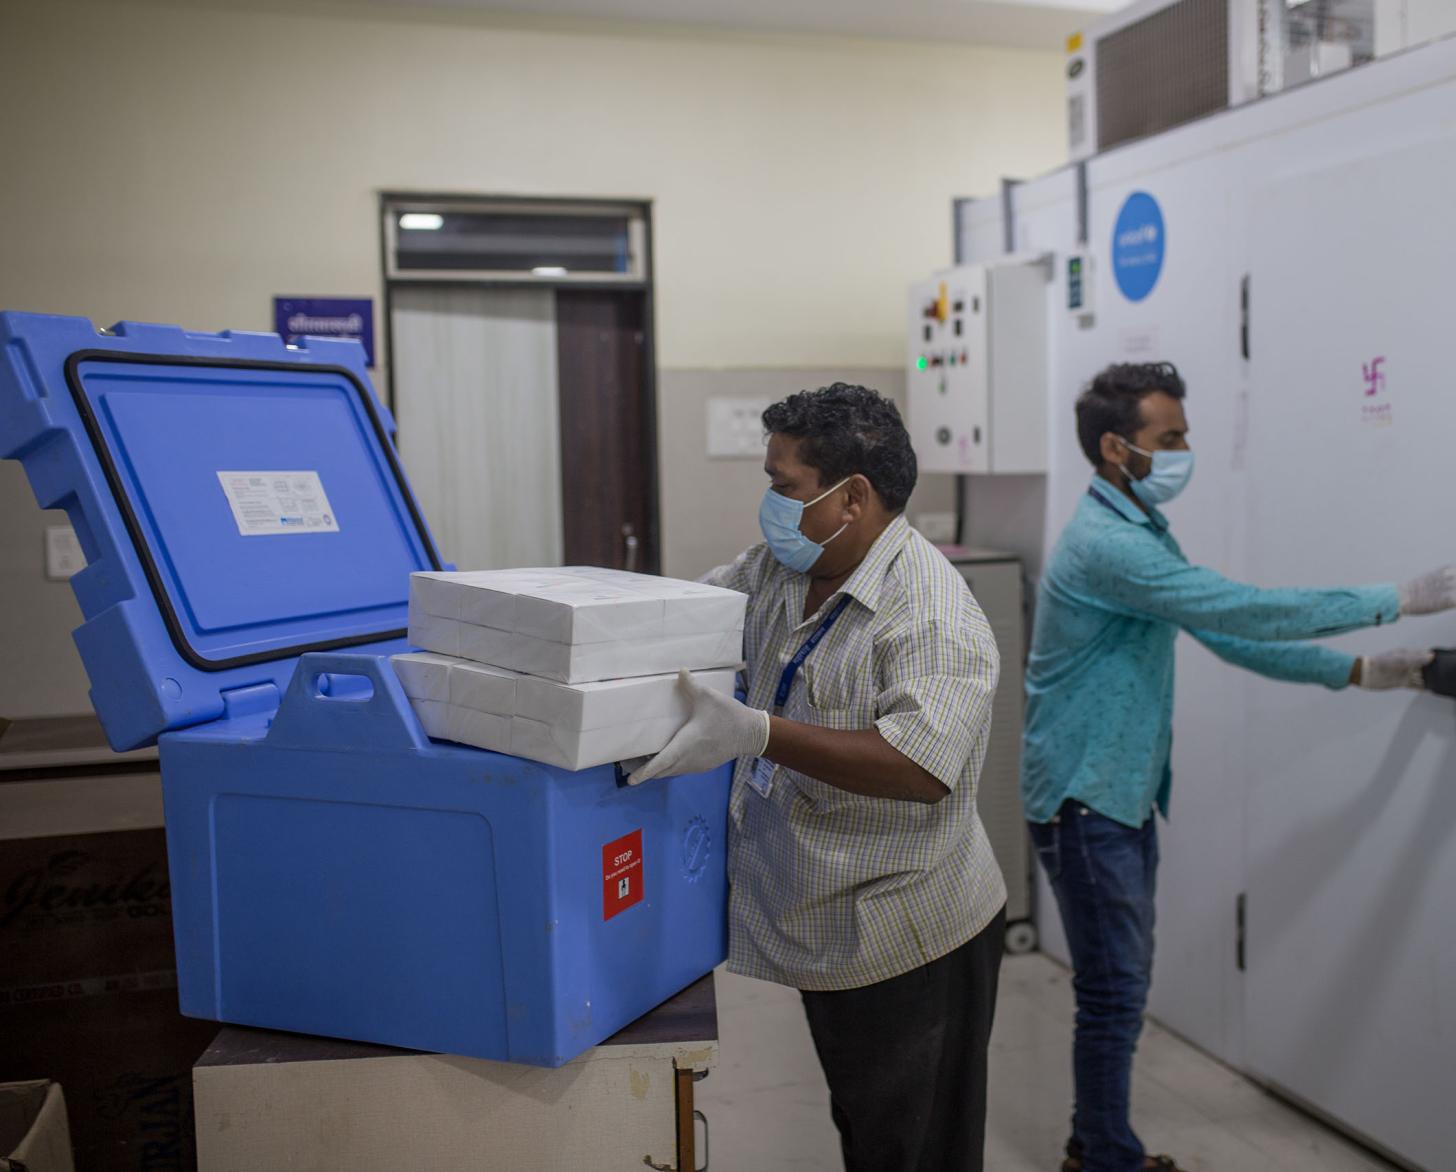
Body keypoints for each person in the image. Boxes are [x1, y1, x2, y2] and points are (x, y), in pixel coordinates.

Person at [1021, 362, 1455, 1172]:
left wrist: (1364, 673)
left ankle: (1097, 1146)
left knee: (1114, 988)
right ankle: (1105, 1157)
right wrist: (1398, 597)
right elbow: (1243, 607)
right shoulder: (1111, 544)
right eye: (1171, 437)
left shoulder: (1138, 526)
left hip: (1114, 790)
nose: (1188, 450)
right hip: (1086, 798)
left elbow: (1225, 635)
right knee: (1114, 993)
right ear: (1118, 446)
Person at [629, 383, 1007, 1172]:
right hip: (825, 917)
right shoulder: (779, 569)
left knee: (914, 1148)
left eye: (784, 486)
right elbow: (686, 614)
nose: (770, 503)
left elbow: (919, 765)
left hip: (907, 931)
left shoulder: (931, 610)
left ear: (853, 497)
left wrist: (759, 733)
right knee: (868, 1128)